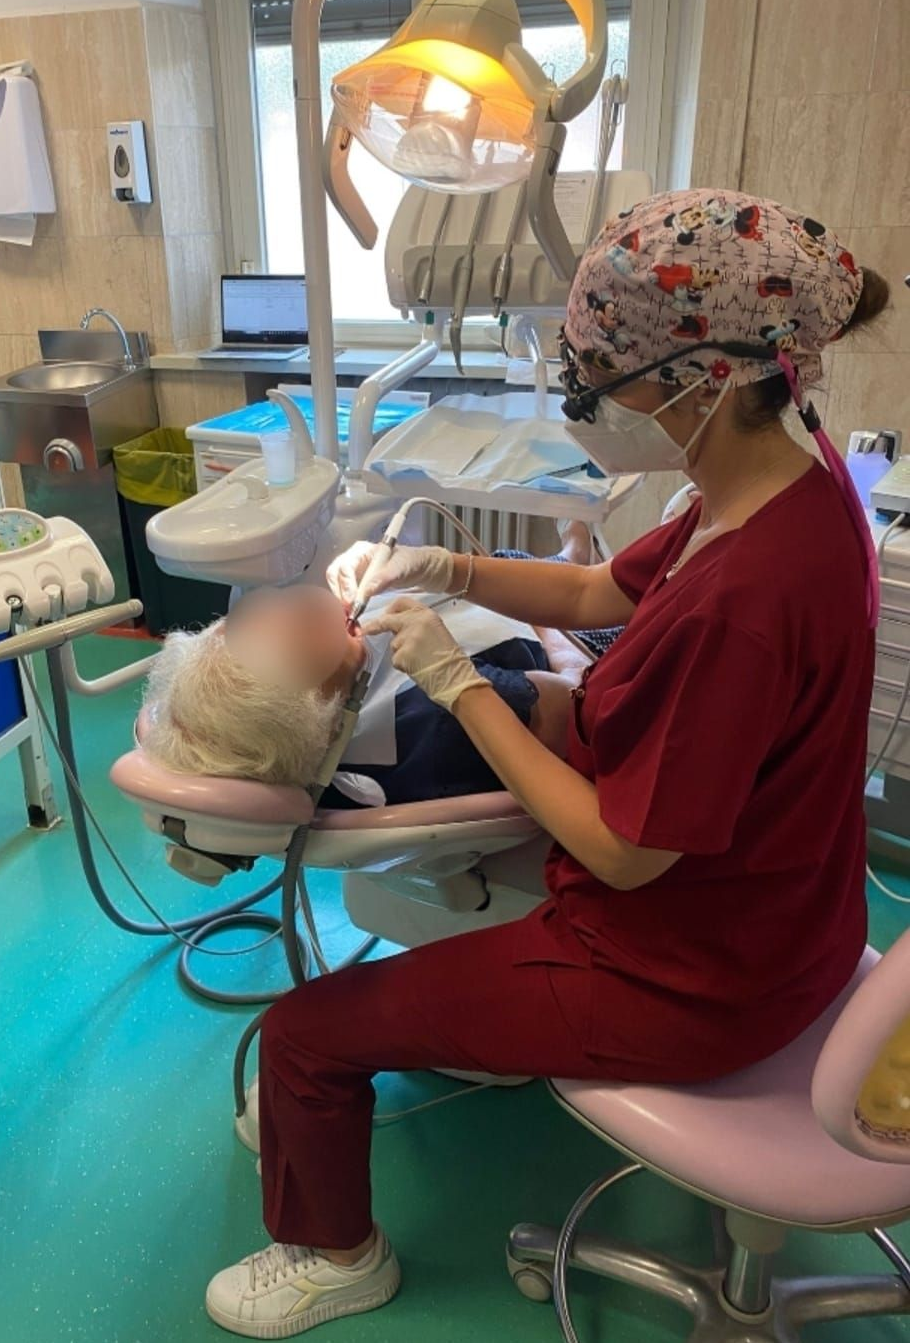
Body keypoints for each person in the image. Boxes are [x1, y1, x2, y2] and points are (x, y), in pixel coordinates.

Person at [204, 189, 890, 1338]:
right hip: (793, 925)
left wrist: (460, 684)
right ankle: (470, 1045)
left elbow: (623, 854)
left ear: (704, 376)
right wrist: (444, 567)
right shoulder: (784, 485)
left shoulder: (752, 599)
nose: (590, 405)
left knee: (307, 1033)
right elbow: (596, 590)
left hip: (685, 975)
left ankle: (334, 1254)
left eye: (600, 381)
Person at [139, 563, 592, 809]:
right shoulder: (442, 717)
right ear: (311, 705)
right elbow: (577, 702)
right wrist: (551, 611)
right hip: (571, 649)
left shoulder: (331, 712)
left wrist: (449, 569)